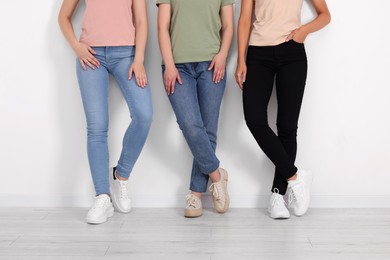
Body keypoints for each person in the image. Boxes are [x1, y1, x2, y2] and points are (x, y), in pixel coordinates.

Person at [58, 0, 152, 224]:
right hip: (91, 56)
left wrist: (139, 59)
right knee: (97, 128)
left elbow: (141, 20)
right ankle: (102, 197)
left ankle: (121, 174)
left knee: (144, 115)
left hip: (127, 54)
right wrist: (77, 47)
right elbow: (63, 17)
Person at [235, 0, 331, 219]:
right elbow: (244, 19)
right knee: (254, 119)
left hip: (292, 53)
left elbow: (325, 15)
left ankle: (277, 195)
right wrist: (241, 60)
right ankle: (296, 177)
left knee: (287, 127)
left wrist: (303, 31)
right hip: (258, 54)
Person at [157, 0, 234, 218]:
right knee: (190, 125)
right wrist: (169, 64)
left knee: (208, 131)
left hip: (212, 64)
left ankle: (195, 194)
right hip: (177, 66)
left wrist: (223, 55)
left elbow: (228, 25)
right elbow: (162, 26)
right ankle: (218, 176)